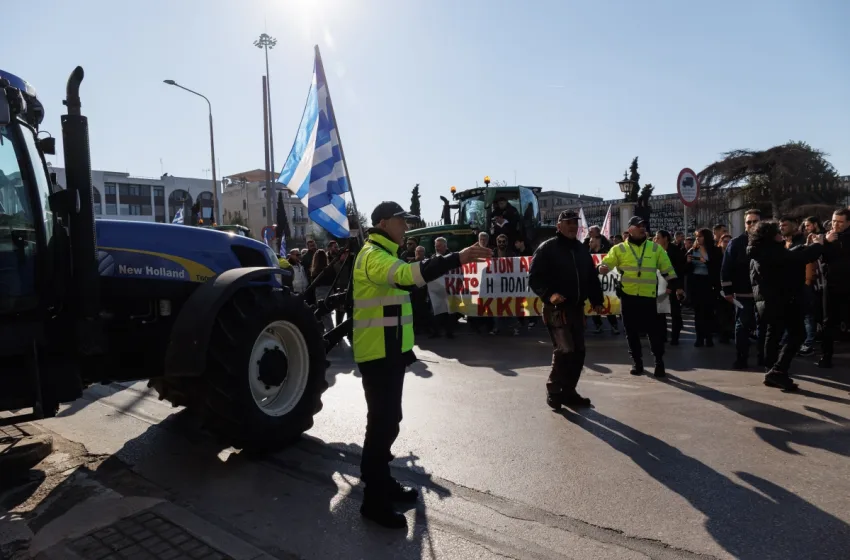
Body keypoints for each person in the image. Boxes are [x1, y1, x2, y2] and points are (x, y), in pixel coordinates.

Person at [353, 201, 491, 528]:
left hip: (389, 353)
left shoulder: (382, 252)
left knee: (388, 421)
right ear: (384, 222)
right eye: (402, 222)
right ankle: (373, 500)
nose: (407, 227)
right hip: (378, 355)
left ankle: (380, 481)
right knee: (382, 424)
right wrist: (456, 257)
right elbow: (407, 278)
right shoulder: (374, 255)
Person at [529, 210, 604, 409]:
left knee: (579, 351)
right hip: (556, 309)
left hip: (577, 309)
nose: (572, 226)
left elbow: (591, 278)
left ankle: (569, 391)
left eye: (575, 222)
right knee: (565, 350)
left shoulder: (581, 250)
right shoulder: (547, 248)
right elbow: (534, 278)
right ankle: (554, 390)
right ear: (559, 225)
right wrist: (549, 294)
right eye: (568, 222)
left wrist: (597, 300)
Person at [748, 221, 823, 390]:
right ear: (771, 236)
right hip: (782, 301)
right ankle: (778, 370)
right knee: (797, 334)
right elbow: (795, 258)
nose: (780, 233)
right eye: (777, 232)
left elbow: (789, 255)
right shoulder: (771, 253)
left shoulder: (759, 251)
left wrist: (805, 246)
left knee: (773, 334)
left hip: (769, 302)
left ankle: (772, 371)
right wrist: (818, 245)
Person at [599, 216, 677, 377]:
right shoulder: (618, 249)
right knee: (631, 332)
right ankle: (637, 363)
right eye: (639, 225)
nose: (643, 228)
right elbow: (607, 263)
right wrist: (603, 267)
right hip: (628, 297)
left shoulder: (655, 249)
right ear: (630, 229)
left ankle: (659, 362)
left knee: (654, 332)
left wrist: (674, 286)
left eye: (644, 225)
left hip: (649, 297)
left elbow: (668, 270)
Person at [721, 209, 765, 369]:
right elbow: (726, 268)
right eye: (749, 222)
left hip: (764, 293)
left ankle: (764, 358)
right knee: (742, 326)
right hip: (742, 293)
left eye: (755, 221)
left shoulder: (768, 241)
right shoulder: (736, 243)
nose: (752, 224)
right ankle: (741, 358)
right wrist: (727, 291)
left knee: (764, 327)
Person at [818, 208, 850, 368]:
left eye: (840, 222)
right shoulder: (827, 237)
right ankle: (826, 356)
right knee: (828, 322)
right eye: (834, 221)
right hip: (830, 285)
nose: (835, 225)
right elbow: (821, 258)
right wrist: (826, 242)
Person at [686, 228, 723, 347]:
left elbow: (717, 267)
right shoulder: (692, 250)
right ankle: (699, 337)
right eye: (697, 236)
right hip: (696, 282)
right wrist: (687, 262)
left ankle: (709, 337)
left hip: (709, 283)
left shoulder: (715, 251)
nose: (698, 239)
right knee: (698, 312)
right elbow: (684, 270)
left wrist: (705, 261)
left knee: (708, 311)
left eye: (700, 236)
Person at [653, 230, 686, 344]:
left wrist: (674, 287)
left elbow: (678, 271)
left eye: (658, 238)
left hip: (673, 286)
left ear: (665, 238)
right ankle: (663, 336)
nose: (655, 240)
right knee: (660, 313)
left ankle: (675, 337)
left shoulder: (675, 251)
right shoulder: (655, 251)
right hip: (660, 285)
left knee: (674, 313)